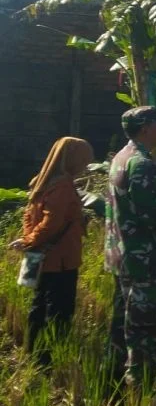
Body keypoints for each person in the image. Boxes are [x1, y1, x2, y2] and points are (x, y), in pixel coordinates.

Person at [105, 106, 156, 387]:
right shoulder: (142, 163)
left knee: (125, 311)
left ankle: (115, 365)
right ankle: (141, 377)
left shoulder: (120, 158)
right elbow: (150, 210)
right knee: (145, 317)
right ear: (146, 128)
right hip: (141, 255)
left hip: (122, 252)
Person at [9, 137, 94, 365]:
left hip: (44, 256)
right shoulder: (64, 187)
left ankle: (33, 352)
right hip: (62, 259)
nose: (85, 167)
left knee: (39, 304)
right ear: (73, 160)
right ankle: (47, 359)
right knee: (59, 310)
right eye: (83, 162)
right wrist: (30, 241)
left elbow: (30, 216)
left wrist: (30, 240)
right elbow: (52, 223)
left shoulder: (43, 182)